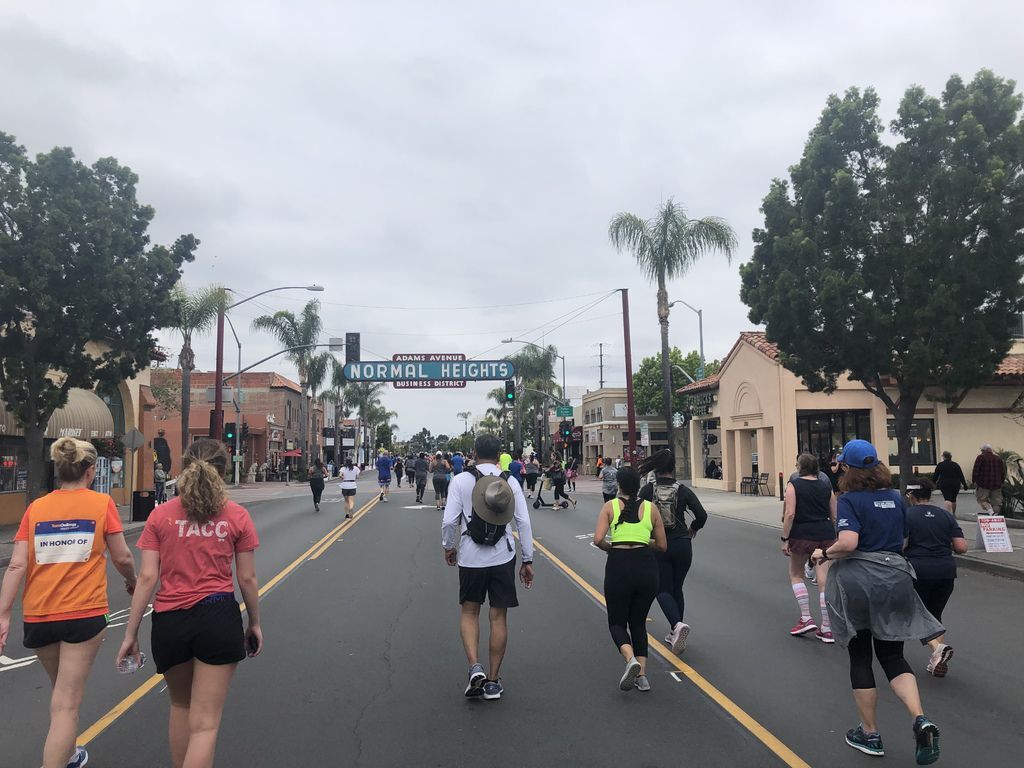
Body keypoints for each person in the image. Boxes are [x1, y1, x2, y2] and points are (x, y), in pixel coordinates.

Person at [117, 438, 262, 768]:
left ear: (184, 468)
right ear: (222, 473)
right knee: (205, 724)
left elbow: (147, 578)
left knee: (180, 707)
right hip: (218, 617)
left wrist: (130, 633)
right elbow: (247, 579)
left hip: (170, 621)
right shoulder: (237, 515)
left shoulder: (160, 516)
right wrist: (254, 622)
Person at [0, 437, 137, 768]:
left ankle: (71, 753)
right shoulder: (101, 504)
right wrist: (132, 581)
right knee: (66, 703)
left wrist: (4, 616)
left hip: (39, 616)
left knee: (60, 691)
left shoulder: (37, 508)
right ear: (90, 471)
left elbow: (16, 565)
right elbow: (122, 556)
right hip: (84, 614)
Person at [810, 439, 942, 764]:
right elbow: (904, 539)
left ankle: (869, 734)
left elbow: (848, 542)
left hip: (859, 581)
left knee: (860, 657)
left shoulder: (849, 500)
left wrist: (823, 553)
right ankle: (920, 718)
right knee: (893, 656)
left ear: (847, 468)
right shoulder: (896, 497)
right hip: (895, 577)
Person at [442, 433, 534, 701]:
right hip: (502, 557)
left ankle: (475, 667)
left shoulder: (461, 480)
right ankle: (493, 681)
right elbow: (523, 522)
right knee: (498, 616)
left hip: (471, 557)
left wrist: (449, 546)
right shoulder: (510, 481)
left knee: (470, 611)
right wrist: (527, 559)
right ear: (498, 455)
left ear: (474, 452)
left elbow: (449, 521)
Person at [593, 466, 667, 691]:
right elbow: (662, 545)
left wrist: (612, 547)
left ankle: (630, 659)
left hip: (619, 565)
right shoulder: (651, 508)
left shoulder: (610, 506)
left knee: (617, 622)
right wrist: (643, 543)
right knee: (638, 622)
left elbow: (598, 539)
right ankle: (642, 677)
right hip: (646, 567)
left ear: (619, 485)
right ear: (638, 485)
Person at [638, 449, 707, 655]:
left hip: (659, 545)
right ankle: (675, 632)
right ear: (673, 468)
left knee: (661, 589)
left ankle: (677, 625)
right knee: (677, 588)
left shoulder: (648, 491)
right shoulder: (683, 490)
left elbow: (636, 514)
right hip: (682, 544)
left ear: (656, 468)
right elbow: (702, 515)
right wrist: (692, 528)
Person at [904, 479, 968, 678]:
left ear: (910, 496)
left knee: (915, 614)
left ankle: (937, 650)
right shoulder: (945, 515)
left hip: (918, 570)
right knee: (934, 615)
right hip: (946, 571)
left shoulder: (906, 515)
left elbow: (901, 544)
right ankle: (936, 660)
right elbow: (961, 547)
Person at [782, 454, 838, 643]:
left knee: (796, 574)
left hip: (801, 533)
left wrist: (785, 538)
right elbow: (834, 513)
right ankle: (827, 628)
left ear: (800, 467)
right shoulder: (826, 486)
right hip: (825, 533)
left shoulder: (794, 485)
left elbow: (790, 513)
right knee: (824, 581)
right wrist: (834, 534)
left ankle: (806, 617)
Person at [972, 444, 1005, 514]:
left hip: (983, 484)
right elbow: (1002, 472)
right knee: (996, 503)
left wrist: (974, 481)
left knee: (981, 499)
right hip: (997, 484)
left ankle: (991, 512)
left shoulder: (980, 457)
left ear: (983, 450)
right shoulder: (998, 458)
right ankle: (995, 516)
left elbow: (976, 470)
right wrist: (1002, 482)